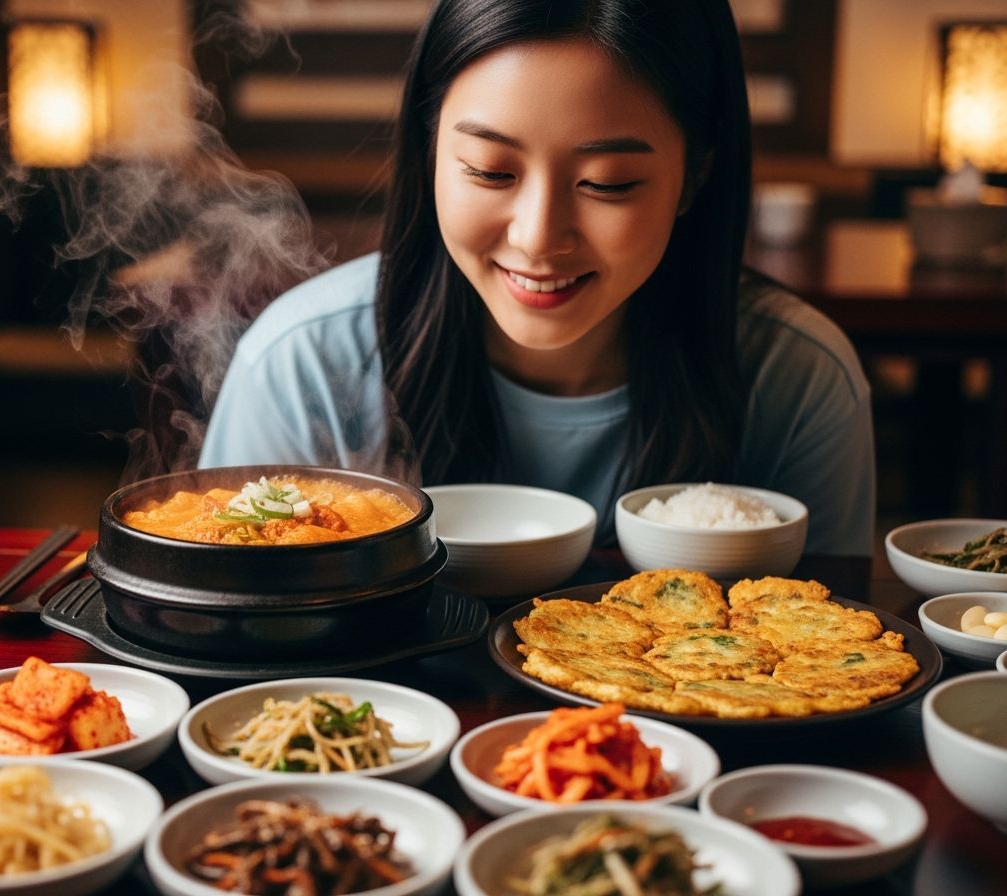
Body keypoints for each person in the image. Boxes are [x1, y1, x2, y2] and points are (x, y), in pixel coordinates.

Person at [198, 0, 875, 557]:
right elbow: (226, 627)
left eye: (608, 183)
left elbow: (830, 644)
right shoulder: (303, 365)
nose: (538, 236)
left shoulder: (797, 380)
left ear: (695, 174)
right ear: (430, 150)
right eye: (491, 171)